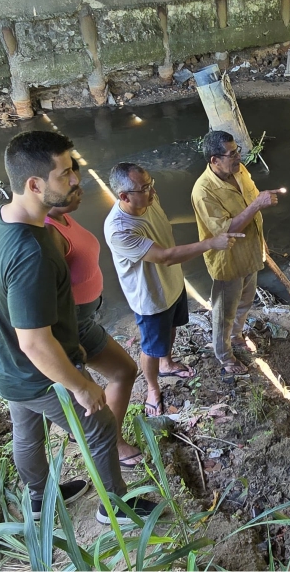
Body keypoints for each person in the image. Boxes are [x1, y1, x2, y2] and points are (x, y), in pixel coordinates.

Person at [0, 130, 154, 525]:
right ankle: (114, 508)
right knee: (100, 428)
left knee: (27, 430)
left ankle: (39, 499)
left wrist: (6, 321)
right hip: (37, 373)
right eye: (65, 174)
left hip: (2, 362)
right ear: (34, 184)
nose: (75, 181)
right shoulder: (31, 250)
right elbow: (35, 343)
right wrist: (81, 385)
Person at [104, 162, 242, 417]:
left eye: (151, 183)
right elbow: (165, 256)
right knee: (150, 347)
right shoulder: (119, 229)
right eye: (145, 188)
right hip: (150, 297)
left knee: (173, 326)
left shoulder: (148, 200)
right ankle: (153, 388)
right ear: (124, 196)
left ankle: (166, 364)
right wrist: (211, 243)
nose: (153, 192)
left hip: (172, 283)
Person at [46, 159, 143, 468]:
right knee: (91, 402)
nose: (78, 182)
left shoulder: (62, 217)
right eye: (67, 176)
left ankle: (105, 439)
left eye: (76, 172)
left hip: (84, 321)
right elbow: (43, 302)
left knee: (124, 370)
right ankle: (109, 455)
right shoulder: (47, 235)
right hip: (67, 329)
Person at [190, 130, 282, 376]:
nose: (239, 157)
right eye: (232, 154)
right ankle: (224, 355)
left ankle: (237, 335)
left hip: (250, 252)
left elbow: (253, 212)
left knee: (246, 300)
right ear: (214, 160)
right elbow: (226, 232)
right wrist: (256, 205)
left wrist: (261, 242)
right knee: (224, 312)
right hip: (227, 259)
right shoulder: (203, 191)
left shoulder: (239, 171)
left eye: (237, 151)